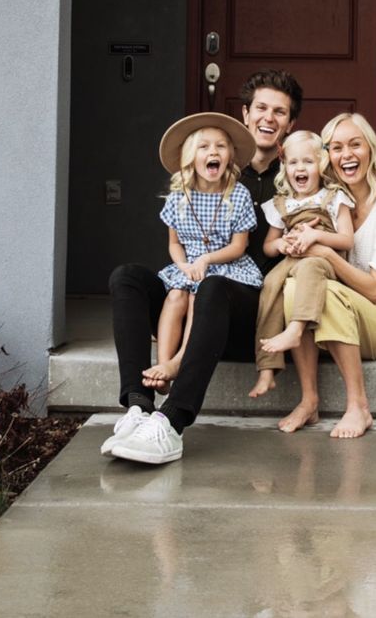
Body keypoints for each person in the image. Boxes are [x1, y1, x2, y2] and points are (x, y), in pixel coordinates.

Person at [100, 69, 302, 465]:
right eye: (261, 107)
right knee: (127, 278)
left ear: (290, 124)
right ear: (245, 115)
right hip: (194, 291)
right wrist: (188, 272)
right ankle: (138, 405)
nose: (268, 117)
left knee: (212, 287)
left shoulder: (297, 176)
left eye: (280, 112)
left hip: (248, 306)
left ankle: (172, 422)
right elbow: (178, 237)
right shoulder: (211, 170)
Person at [277, 113, 376, 439]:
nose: (346, 155)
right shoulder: (324, 200)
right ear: (326, 157)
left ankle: (359, 406)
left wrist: (323, 252)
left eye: (355, 145)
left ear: (371, 150)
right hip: (332, 310)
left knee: (328, 292)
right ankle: (309, 400)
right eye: (336, 147)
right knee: (295, 285)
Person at [141, 117, 262, 391]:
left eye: (221, 146)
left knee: (200, 294)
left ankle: (181, 359)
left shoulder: (238, 194)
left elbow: (238, 246)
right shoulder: (178, 196)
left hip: (224, 266)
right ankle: (163, 363)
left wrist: (206, 260)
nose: (213, 152)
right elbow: (174, 244)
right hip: (188, 266)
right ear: (190, 157)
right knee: (175, 296)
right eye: (204, 147)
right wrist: (183, 266)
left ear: (230, 155)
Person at [248, 130, 354, 399]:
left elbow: (346, 240)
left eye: (308, 161)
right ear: (285, 166)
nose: (300, 168)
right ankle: (267, 369)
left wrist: (315, 235)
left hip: (324, 260)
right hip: (292, 257)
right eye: (293, 162)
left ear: (321, 163)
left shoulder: (333, 197)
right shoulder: (281, 203)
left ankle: (295, 329)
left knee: (309, 268)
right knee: (271, 283)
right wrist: (282, 245)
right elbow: (268, 247)